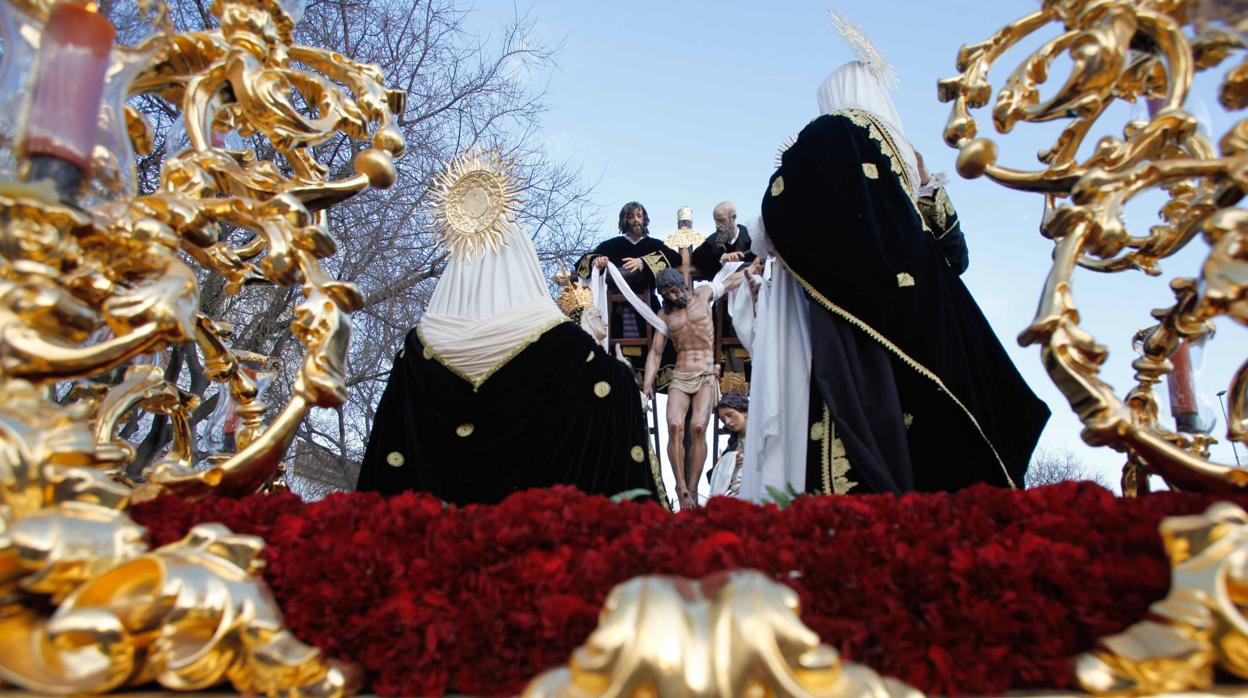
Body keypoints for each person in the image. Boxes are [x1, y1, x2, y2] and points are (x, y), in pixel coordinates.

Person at [742, 19, 1049, 500]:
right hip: (934, 309)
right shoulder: (912, 163)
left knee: (863, 413)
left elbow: (772, 221)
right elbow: (956, 253)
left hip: (853, 303)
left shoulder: (830, 131)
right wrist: (926, 189)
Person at [357, 156, 664, 506]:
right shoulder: (563, 345)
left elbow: (388, 458)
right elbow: (613, 391)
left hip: (434, 546)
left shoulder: (416, 351)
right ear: (523, 260)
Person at [644, 264, 759, 509]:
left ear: (683, 284)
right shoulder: (666, 315)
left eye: (674, 291)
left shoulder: (704, 293)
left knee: (698, 427)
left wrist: (754, 267)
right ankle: (680, 486)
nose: (672, 297)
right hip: (681, 373)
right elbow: (655, 352)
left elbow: (730, 282)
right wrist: (647, 383)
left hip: (706, 373)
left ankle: (693, 488)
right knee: (674, 425)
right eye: (666, 294)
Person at [576, 202, 681, 341]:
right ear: (624, 220)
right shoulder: (611, 245)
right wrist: (597, 261)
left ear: (644, 219)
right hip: (615, 309)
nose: (636, 220)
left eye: (639, 215)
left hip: (648, 306)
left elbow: (676, 258)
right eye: (631, 216)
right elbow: (582, 263)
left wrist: (642, 262)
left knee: (660, 347)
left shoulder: (655, 245)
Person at [692, 201, 756, 280]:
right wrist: (722, 257)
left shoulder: (752, 238)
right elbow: (696, 257)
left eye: (721, 220)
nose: (717, 226)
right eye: (715, 221)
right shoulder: (713, 241)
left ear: (733, 217)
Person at [708, 391, 748, 498]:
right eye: (723, 420)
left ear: (744, 411)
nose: (728, 422)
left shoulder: (763, 437)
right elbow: (712, 476)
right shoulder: (732, 445)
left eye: (730, 415)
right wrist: (731, 462)